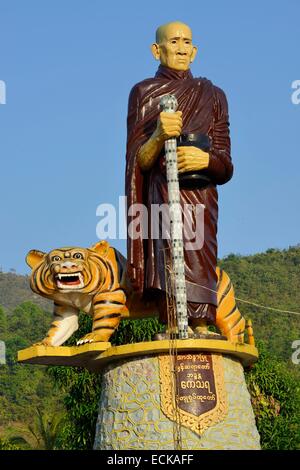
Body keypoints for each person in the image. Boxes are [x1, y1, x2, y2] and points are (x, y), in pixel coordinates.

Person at [125, 21, 233, 333]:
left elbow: (226, 165)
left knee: (200, 254)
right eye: (174, 41)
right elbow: (139, 161)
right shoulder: (144, 92)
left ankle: (202, 323)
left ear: (195, 51)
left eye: (187, 42)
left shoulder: (213, 95)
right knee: (168, 253)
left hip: (201, 196)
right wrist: (159, 135)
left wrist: (206, 159)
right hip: (163, 195)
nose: (182, 48)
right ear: (156, 50)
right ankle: (173, 320)